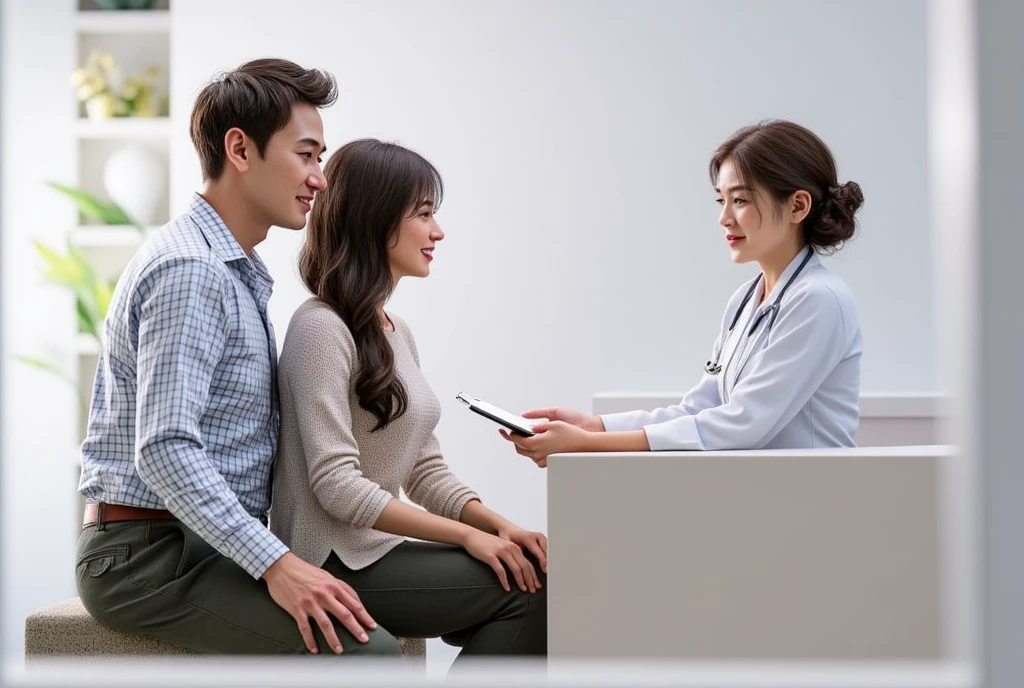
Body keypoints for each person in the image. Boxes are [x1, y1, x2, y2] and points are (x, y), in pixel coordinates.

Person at [75, 58, 398, 657]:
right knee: (367, 653)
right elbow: (165, 447)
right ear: (240, 150)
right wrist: (277, 563)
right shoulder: (192, 270)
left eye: (321, 159)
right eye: (306, 155)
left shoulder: (234, 267)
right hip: (147, 555)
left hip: (199, 541)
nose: (319, 179)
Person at [269, 138, 548, 666]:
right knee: (535, 592)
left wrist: (498, 525)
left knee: (537, 572)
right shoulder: (320, 329)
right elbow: (336, 486)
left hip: (375, 553)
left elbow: (425, 470)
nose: (437, 231)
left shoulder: (396, 331)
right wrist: (468, 538)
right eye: (423, 214)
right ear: (376, 220)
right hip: (333, 562)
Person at [503, 119, 864, 466]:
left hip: (813, 497)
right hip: (760, 490)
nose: (724, 218)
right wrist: (593, 425)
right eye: (720, 200)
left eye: (740, 200)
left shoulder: (819, 299)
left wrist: (589, 444)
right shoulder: (745, 300)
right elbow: (702, 407)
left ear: (798, 206)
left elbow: (744, 424)